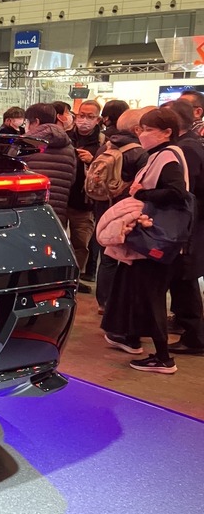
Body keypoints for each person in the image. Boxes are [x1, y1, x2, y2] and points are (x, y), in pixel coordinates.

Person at [101, 108, 188, 374]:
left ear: (167, 132)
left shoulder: (168, 157)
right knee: (139, 292)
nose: (143, 134)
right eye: (142, 129)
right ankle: (131, 338)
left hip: (155, 239)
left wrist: (144, 194)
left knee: (152, 297)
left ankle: (163, 358)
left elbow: (177, 193)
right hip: (148, 238)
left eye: (149, 130)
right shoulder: (161, 155)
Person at [92, 108, 149, 313]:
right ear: (137, 128)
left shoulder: (105, 146)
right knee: (127, 256)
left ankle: (104, 301)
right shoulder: (140, 152)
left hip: (103, 205)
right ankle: (122, 304)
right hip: (126, 208)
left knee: (107, 254)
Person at [159, 100, 204, 355]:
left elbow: (185, 191)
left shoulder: (186, 149)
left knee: (184, 278)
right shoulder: (188, 145)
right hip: (190, 223)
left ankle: (194, 336)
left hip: (188, 225)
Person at [66, 99, 105, 293]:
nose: (84, 120)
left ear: (98, 119)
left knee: (81, 243)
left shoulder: (103, 142)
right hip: (61, 198)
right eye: (81, 115)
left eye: (90, 116)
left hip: (85, 203)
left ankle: (75, 278)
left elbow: (109, 171)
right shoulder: (65, 137)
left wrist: (93, 160)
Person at [21, 102, 77, 225]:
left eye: (27, 122)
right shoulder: (68, 146)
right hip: (57, 213)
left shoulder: (25, 144)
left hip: (29, 212)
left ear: (36, 122)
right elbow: (72, 179)